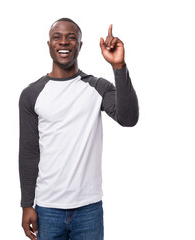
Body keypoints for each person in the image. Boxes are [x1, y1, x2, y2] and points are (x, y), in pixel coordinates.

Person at [18, 18, 139, 240]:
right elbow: (28, 153)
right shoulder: (31, 94)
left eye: (71, 37)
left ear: (80, 45)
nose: (64, 42)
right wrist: (26, 204)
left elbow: (129, 118)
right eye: (57, 37)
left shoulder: (97, 87)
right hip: (47, 208)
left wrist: (118, 67)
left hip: (88, 208)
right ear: (49, 45)